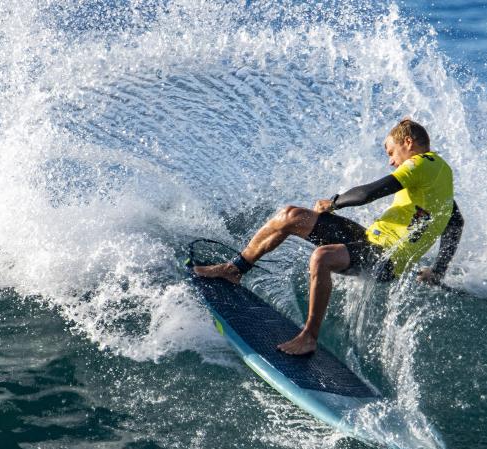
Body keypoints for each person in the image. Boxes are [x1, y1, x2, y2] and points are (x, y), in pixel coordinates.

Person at [194, 118, 464, 355]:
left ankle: (309, 337)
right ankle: (235, 269)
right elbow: (455, 222)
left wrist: (334, 202)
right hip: (370, 241)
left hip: (386, 259)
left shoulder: (421, 163)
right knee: (290, 215)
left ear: (408, 142)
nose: (391, 161)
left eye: (391, 153)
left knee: (321, 257)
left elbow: (368, 193)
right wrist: (438, 271)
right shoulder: (440, 177)